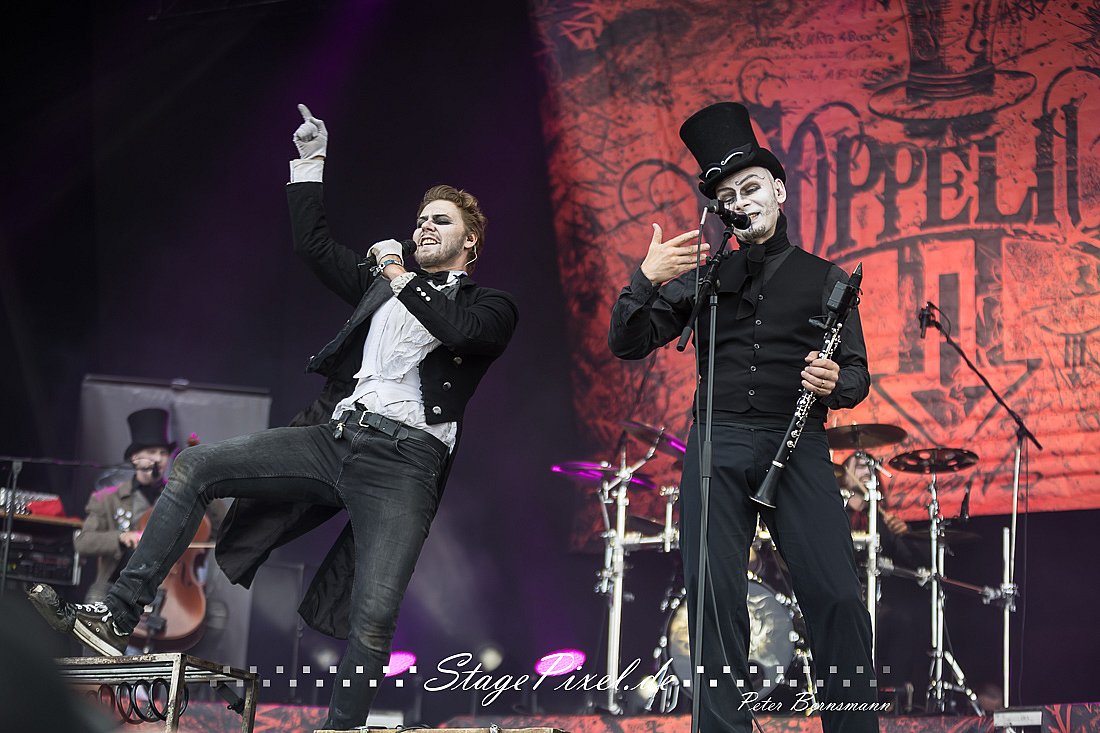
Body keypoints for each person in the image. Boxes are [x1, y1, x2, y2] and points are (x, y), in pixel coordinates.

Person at [28, 104, 519, 730]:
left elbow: (458, 331)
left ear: (469, 240)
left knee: (373, 614)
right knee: (197, 465)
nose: (424, 226)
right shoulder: (382, 286)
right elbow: (313, 246)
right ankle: (117, 614)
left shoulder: (491, 305)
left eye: (440, 221)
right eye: (420, 219)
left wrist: (398, 273)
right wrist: (310, 164)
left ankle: (342, 727)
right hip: (337, 436)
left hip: (405, 464)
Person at [608, 102, 878, 732]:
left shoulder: (828, 279)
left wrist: (836, 383)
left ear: (778, 192)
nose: (741, 202)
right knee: (712, 596)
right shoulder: (704, 280)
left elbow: (858, 376)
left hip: (797, 444)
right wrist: (645, 279)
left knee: (837, 594)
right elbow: (627, 341)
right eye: (727, 196)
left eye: (751, 188)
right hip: (717, 441)